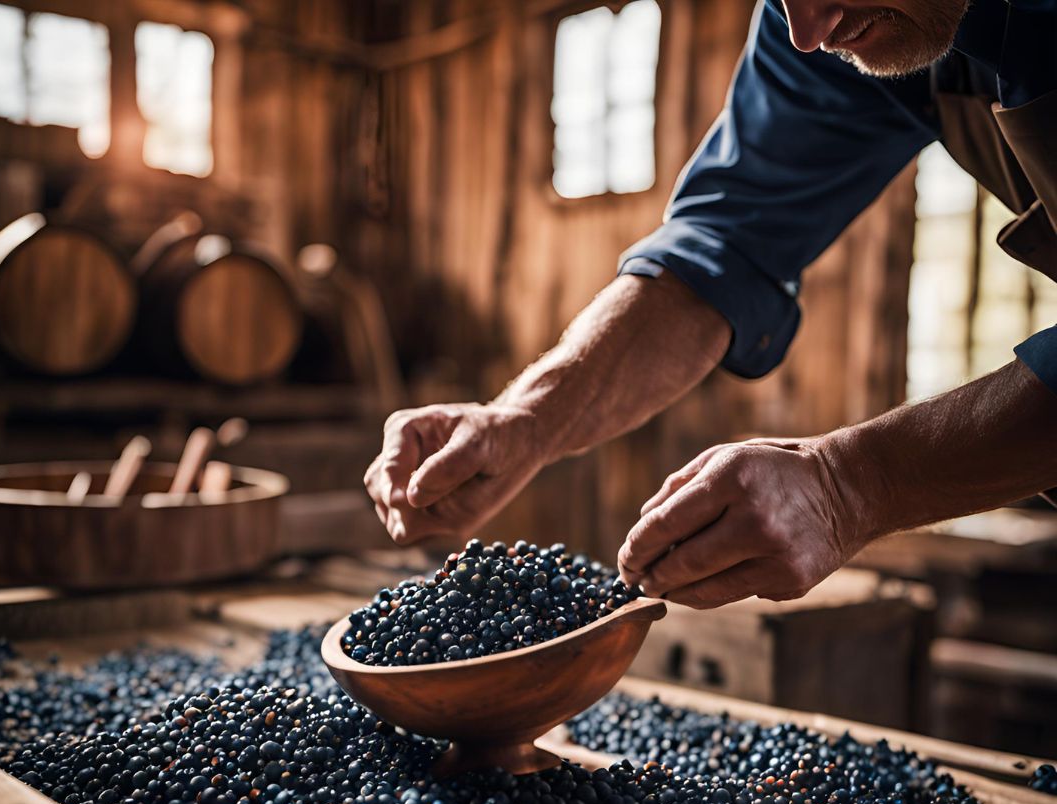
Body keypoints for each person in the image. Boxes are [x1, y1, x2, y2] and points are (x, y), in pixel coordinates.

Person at [365, 0, 1057, 609]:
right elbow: (722, 246)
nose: (806, 30)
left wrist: (850, 485)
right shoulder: (825, 15)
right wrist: (525, 421)